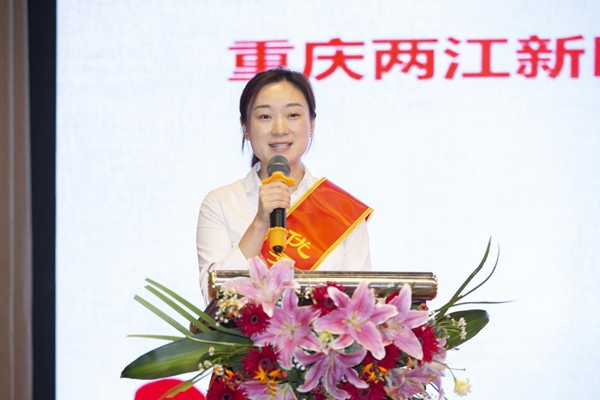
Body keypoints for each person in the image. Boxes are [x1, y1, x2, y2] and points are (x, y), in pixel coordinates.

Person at [196, 67, 373, 302]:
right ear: (245, 127)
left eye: (293, 115)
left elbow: (361, 303)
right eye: (265, 117)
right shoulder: (220, 203)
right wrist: (260, 223)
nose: (280, 129)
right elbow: (214, 297)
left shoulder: (342, 210)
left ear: (312, 123)